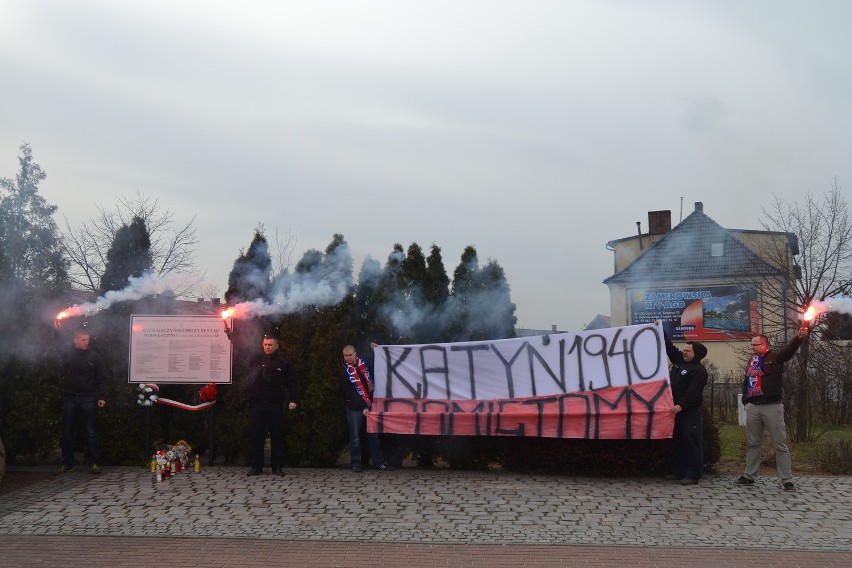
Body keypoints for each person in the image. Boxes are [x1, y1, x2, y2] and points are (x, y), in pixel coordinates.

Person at [735, 326, 808, 491]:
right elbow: (746, 381)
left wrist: (798, 338)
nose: (752, 347)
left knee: (779, 444)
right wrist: (746, 401)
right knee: (753, 443)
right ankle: (749, 475)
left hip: (772, 406)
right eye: (752, 345)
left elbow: (788, 351)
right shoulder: (752, 361)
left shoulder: (775, 357)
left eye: (755, 345)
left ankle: (787, 480)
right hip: (754, 406)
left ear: (764, 345)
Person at [226, 325, 298, 477]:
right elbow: (242, 350)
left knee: (277, 437)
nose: (267, 347)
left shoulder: (284, 362)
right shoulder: (257, 359)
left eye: (270, 345)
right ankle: (256, 467)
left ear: (277, 346)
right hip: (258, 405)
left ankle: (277, 467)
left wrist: (293, 399)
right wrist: (231, 335)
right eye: (265, 344)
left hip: (275, 405)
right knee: (256, 436)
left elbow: (292, 382)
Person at [54, 324, 107, 474]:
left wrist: (102, 396)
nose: (86, 342)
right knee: (67, 431)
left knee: (90, 431)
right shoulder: (68, 354)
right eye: (83, 339)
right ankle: (67, 463)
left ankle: (93, 462)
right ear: (75, 341)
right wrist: (57, 330)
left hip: (87, 397)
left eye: (88, 339)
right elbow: (57, 347)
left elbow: (101, 378)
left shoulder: (94, 356)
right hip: (69, 396)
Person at [664, 333, 708, 485]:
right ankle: (679, 471)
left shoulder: (699, 371)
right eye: (684, 349)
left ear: (696, 353)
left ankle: (694, 474)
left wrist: (681, 406)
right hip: (675, 411)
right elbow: (669, 348)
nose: (684, 352)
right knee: (680, 442)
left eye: (688, 350)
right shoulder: (678, 361)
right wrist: (660, 330)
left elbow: (693, 393)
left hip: (690, 412)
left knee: (692, 442)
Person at [338, 344, 391, 472]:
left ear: (356, 353)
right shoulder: (344, 371)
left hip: (371, 405)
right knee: (355, 436)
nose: (348, 358)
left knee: (373, 436)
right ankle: (356, 463)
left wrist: (376, 348)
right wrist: (363, 406)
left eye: (350, 355)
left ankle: (379, 463)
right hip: (354, 407)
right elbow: (349, 392)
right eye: (345, 355)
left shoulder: (364, 362)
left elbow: (374, 355)